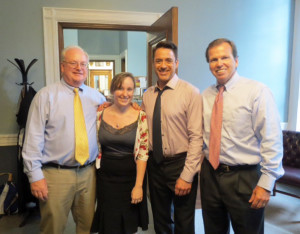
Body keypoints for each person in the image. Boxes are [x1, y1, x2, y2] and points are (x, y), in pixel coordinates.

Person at [201, 38, 284, 234]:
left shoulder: (257, 91)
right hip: (210, 176)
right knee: (213, 230)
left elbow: (272, 139)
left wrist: (266, 184)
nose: (219, 63)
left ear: (236, 60)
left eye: (224, 57)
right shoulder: (205, 95)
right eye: (213, 59)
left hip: (244, 177)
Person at [22, 45, 106, 234]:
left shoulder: (97, 98)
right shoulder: (45, 96)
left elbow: (115, 116)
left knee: (89, 227)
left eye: (83, 64)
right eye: (73, 63)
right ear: (62, 66)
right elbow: (32, 139)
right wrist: (35, 177)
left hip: (88, 174)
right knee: (53, 228)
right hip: (55, 175)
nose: (79, 68)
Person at [142, 41, 203, 233]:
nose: (163, 65)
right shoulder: (148, 95)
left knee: (184, 222)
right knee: (160, 220)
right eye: (158, 61)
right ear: (153, 63)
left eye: (168, 60)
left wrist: (187, 175)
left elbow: (197, 137)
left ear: (176, 63)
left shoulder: (190, 92)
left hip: (180, 164)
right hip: (155, 164)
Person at [90, 72, 149, 234]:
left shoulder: (141, 117)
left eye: (129, 89)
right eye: (120, 88)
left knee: (127, 225)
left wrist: (138, 186)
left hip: (130, 180)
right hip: (105, 180)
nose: (125, 93)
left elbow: (143, 153)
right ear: (112, 90)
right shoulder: (99, 115)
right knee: (108, 224)